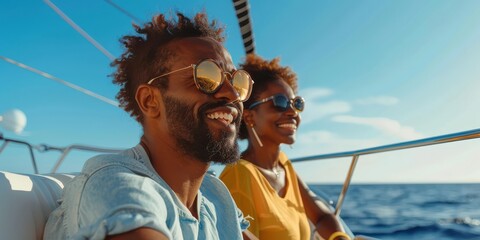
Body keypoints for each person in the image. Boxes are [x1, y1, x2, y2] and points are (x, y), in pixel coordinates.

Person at [44, 12, 255, 239]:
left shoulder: (214, 193)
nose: (232, 94)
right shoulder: (116, 184)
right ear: (150, 101)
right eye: (207, 76)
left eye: (237, 81)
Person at [219, 54, 351, 240]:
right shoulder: (239, 175)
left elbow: (321, 216)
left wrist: (340, 238)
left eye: (296, 104)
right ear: (249, 117)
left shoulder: (283, 165)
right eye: (279, 103)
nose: (292, 112)